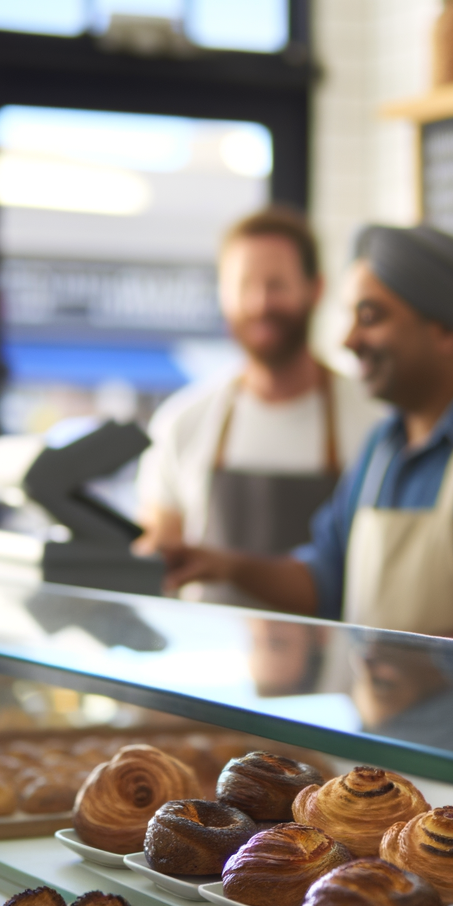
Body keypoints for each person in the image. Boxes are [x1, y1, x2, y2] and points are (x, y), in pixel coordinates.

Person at [166, 224, 453, 651]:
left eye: (370, 317)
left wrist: (428, 660)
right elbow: (326, 576)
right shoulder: (383, 445)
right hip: (376, 723)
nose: (348, 340)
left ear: (444, 331)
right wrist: (227, 566)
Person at [136, 207, 384, 608]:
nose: (259, 303)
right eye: (244, 285)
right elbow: (160, 545)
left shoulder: (375, 422)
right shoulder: (184, 421)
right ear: (222, 293)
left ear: (315, 289)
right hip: (209, 659)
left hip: (337, 665)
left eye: (276, 285)